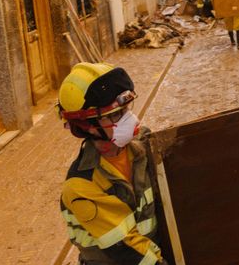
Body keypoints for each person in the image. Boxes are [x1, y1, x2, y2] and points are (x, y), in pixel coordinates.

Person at [57, 62, 168, 264]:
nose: (130, 119)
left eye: (126, 109)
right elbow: (127, 248)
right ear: (87, 125)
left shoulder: (143, 143)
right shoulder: (82, 185)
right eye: (115, 114)